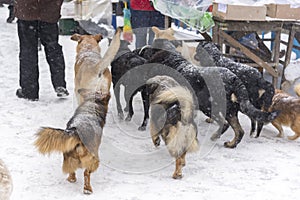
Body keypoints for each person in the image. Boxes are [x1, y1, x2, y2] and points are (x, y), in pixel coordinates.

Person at [14, 0, 69, 101]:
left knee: (28, 50)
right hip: (49, 11)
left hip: (27, 10)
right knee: (53, 48)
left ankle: (29, 91)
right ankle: (59, 83)